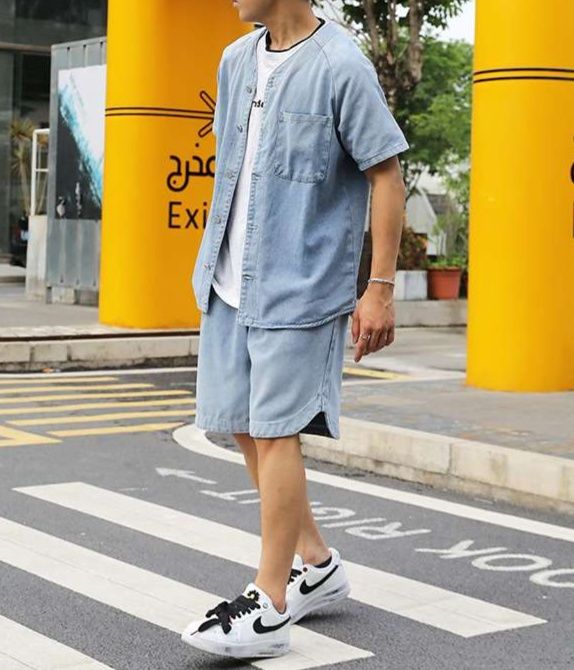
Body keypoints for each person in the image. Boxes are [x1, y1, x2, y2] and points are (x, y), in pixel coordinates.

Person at [182, 0, 409, 658]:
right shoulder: (235, 60)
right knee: (242, 423)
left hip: (301, 284)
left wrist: (380, 288)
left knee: (277, 433)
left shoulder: (340, 65)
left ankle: (271, 601)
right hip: (229, 280)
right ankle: (316, 563)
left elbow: (386, 176)